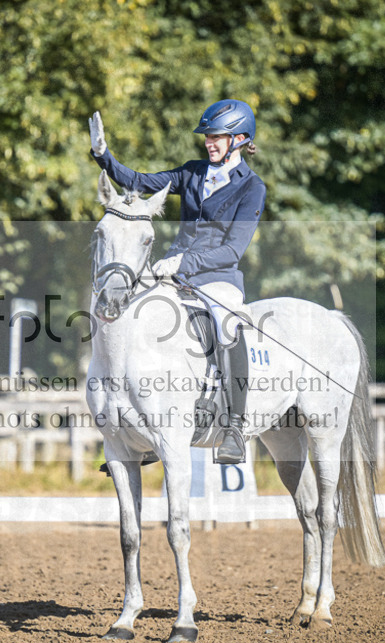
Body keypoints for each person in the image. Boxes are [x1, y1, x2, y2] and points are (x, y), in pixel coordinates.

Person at [88, 99, 267, 464]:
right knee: (135, 318)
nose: (209, 143)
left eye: (217, 137)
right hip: (172, 273)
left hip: (217, 278)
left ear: (240, 138)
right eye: (208, 137)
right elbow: (138, 181)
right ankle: (147, 426)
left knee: (228, 327)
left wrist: (185, 261)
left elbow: (233, 249)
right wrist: (103, 155)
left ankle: (233, 427)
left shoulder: (252, 188)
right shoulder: (191, 173)